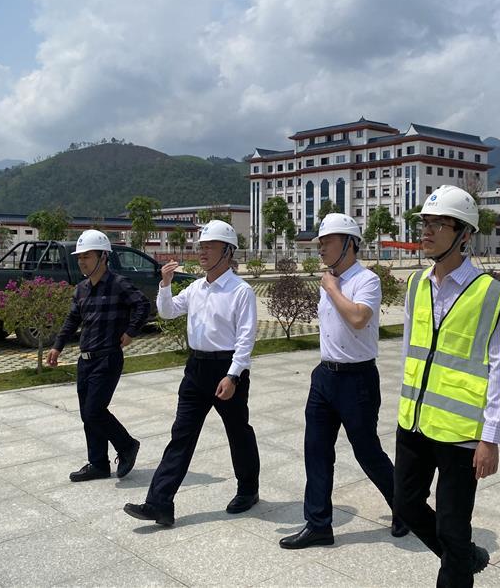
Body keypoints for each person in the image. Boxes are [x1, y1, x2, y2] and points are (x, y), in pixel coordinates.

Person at [394, 185, 500, 587]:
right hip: (414, 422)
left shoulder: (492, 295)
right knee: (405, 505)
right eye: (424, 223)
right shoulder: (416, 284)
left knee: (451, 525)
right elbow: (410, 350)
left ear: (464, 234)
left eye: (438, 224)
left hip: (461, 434)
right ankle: (464, 557)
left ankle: (457, 562)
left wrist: (490, 437)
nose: (426, 231)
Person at [280, 213, 409, 550]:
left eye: (328, 242)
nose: (321, 248)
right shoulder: (331, 281)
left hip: (357, 379)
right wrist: (331, 286)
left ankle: (405, 509)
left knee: (367, 451)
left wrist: (332, 288)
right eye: (320, 243)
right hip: (325, 376)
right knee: (316, 451)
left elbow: (357, 318)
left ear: (350, 243)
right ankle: (318, 524)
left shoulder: (367, 280)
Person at [124, 220, 259, 527]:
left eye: (210, 247)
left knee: (238, 433)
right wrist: (165, 284)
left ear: (228, 251)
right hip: (196, 369)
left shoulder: (241, 291)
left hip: (227, 370)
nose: (203, 252)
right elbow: (168, 311)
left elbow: (246, 339)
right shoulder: (197, 287)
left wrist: (233, 375)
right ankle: (159, 504)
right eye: (201, 247)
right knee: (181, 436)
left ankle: (248, 490)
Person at [46, 229, 150, 482]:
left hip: (108, 358)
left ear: (103, 256)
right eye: (79, 257)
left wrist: (130, 331)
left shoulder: (118, 283)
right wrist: (57, 346)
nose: (82, 262)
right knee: (87, 414)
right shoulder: (81, 289)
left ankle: (127, 445)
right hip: (86, 360)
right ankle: (98, 464)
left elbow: (142, 304)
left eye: (87, 256)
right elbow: (72, 319)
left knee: (94, 411)